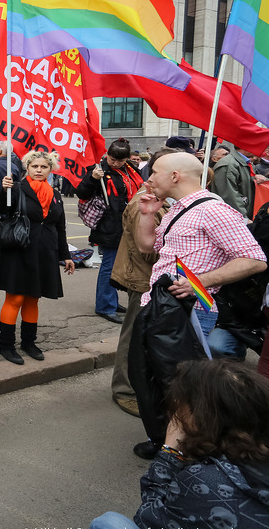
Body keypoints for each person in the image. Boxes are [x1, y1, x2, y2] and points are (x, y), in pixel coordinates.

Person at [133, 151, 267, 458]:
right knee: (164, 382)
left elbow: (255, 259)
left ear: (175, 176)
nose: (148, 178)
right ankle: (168, 441)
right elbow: (146, 247)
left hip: (189, 312)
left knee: (186, 388)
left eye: (154, 172)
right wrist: (147, 213)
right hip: (161, 307)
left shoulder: (213, 210)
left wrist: (200, 281)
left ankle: (189, 450)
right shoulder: (177, 209)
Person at [89, 360, 269, 529]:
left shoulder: (206, 481)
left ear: (202, 417)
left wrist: (170, 452)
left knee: (107, 526)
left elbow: (150, 519)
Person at [0, 150, 75, 364]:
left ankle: (29, 342)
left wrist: (66, 256)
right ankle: (6, 345)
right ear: (27, 167)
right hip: (18, 251)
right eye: (34, 166)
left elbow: (60, 227)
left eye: (43, 167)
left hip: (45, 253)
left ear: (50, 169)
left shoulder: (55, 195)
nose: (38, 170)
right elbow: (0, 211)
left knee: (33, 298)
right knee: (15, 298)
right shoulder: (16, 188)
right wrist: (3, 191)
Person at [108, 149, 175, 418]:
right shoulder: (143, 203)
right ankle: (124, 390)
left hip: (154, 278)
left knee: (147, 336)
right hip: (144, 278)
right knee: (133, 336)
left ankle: (142, 385)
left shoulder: (166, 201)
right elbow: (146, 249)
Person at [76, 139, 144, 324]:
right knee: (110, 266)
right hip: (110, 225)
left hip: (128, 223)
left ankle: (112, 302)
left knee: (119, 266)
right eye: (112, 159)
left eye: (119, 161)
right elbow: (82, 192)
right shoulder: (98, 169)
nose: (115, 163)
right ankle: (105, 306)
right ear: (107, 154)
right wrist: (93, 179)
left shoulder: (130, 168)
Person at [209, 143, 257, 220]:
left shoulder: (244, 162)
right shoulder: (228, 164)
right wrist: (243, 218)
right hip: (234, 218)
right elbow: (229, 195)